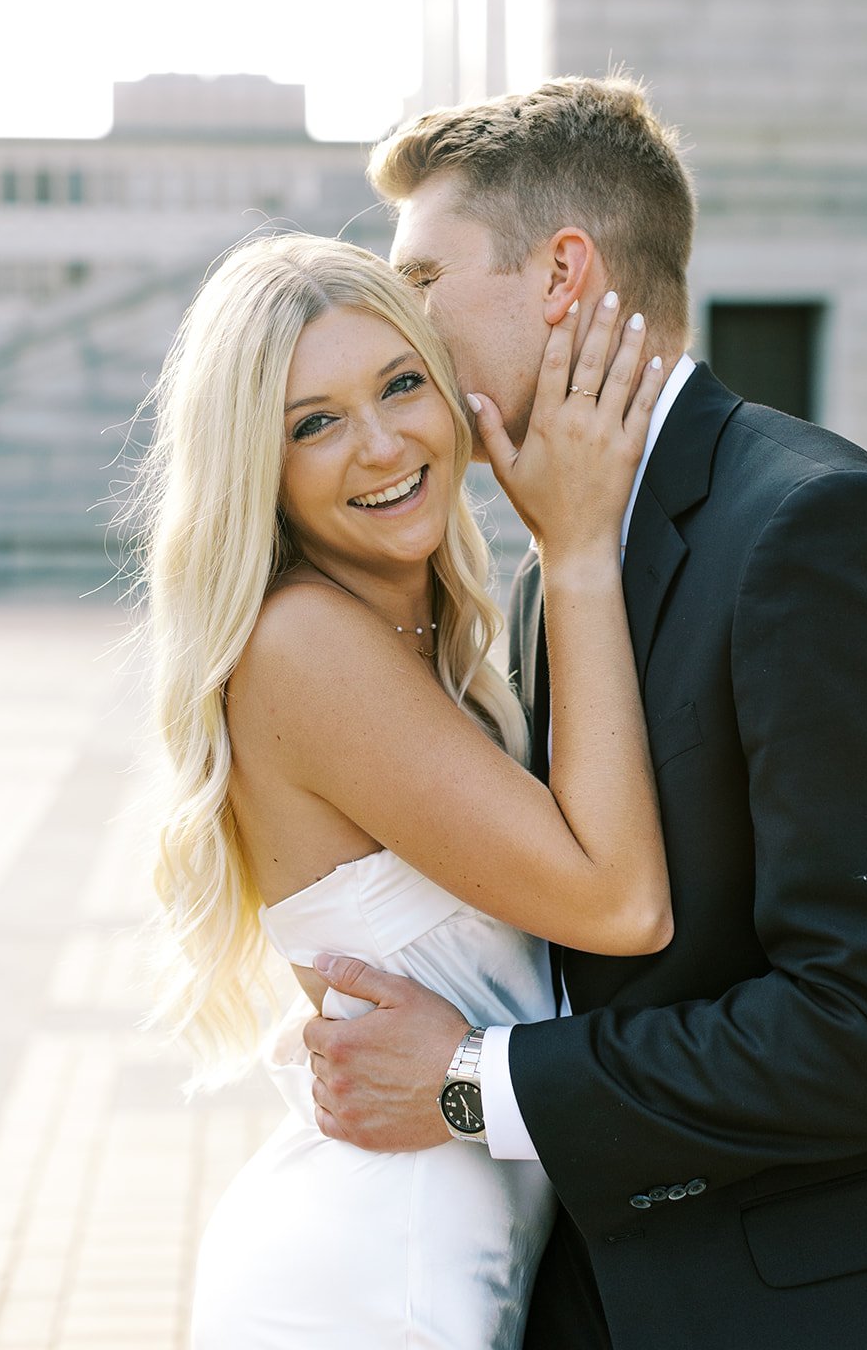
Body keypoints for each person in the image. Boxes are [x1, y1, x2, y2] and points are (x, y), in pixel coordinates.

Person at [304, 76, 867, 1350]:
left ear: (561, 274)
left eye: (420, 282)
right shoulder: (549, 567)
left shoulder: (814, 532)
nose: (397, 324)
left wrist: (475, 1085)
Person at [134, 230, 673, 1348]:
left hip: (448, 1255)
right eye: (313, 423)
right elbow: (618, 902)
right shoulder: (304, 646)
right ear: (259, 468)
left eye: (400, 384)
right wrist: (573, 548)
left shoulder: (405, 635)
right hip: (377, 1284)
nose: (380, 443)